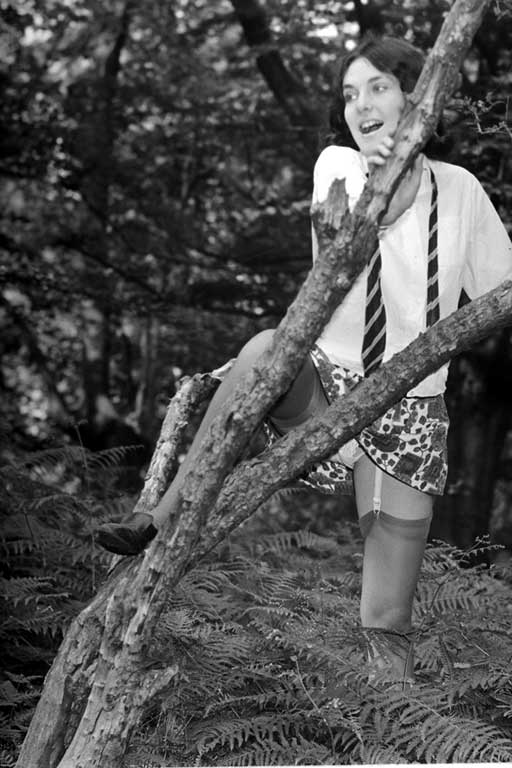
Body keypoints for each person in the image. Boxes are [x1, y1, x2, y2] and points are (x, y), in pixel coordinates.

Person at [97, 36, 512, 683]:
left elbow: (501, 292)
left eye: (378, 87)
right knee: (266, 349)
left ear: (419, 96)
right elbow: (345, 235)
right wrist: (388, 175)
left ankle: (387, 725)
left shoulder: (460, 189)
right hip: (323, 391)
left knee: (387, 621)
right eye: (350, 94)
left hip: (411, 414)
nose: (360, 104)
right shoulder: (338, 165)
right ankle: (159, 513)